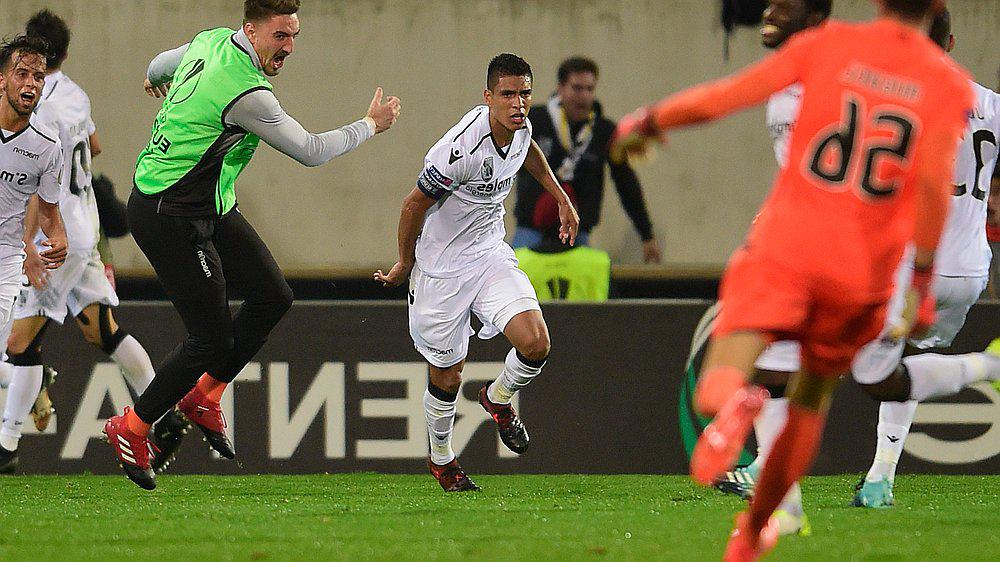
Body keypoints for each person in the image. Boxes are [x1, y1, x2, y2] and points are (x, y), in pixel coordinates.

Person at [611, 1, 973, 559]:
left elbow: (726, 97)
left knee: (720, 385)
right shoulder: (947, 87)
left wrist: (649, 121)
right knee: (808, 401)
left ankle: (744, 402)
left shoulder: (828, 46)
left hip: (788, 249)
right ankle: (755, 532)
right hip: (862, 275)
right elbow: (932, 188)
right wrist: (920, 287)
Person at [102, 0, 401, 490]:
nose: (288, 48)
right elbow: (310, 151)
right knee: (211, 339)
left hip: (208, 205)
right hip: (168, 214)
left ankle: (204, 396)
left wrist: (160, 83)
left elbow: (158, 66)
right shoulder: (249, 94)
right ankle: (131, 426)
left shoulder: (212, 39)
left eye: (294, 36)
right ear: (252, 31)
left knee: (273, 295)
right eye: (280, 36)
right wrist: (370, 125)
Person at [374, 53, 579, 492]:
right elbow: (413, 205)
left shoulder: (521, 127)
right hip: (442, 270)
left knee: (536, 343)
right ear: (488, 97)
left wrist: (560, 195)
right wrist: (406, 264)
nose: (518, 103)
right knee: (447, 374)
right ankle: (442, 459)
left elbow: (529, 153)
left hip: (488, 254)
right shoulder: (459, 150)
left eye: (525, 93)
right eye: (508, 94)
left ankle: (498, 398)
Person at [0, 10, 184, 475]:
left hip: (55, 229)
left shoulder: (38, 107)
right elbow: (94, 146)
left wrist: (29, 246)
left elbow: (36, 176)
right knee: (102, 330)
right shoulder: (75, 95)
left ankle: (5, 446)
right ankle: (161, 416)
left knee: (19, 346)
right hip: (87, 224)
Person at [850, 7, 1000, 507]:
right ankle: (879, 478)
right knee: (912, 360)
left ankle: (869, 478)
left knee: (866, 362)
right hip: (972, 269)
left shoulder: (898, 100)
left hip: (916, 266)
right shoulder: (993, 106)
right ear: (951, 42)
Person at [706, 0, 832, 537]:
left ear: (816, 14)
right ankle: (784, 494)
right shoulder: (786, 77)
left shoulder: (839, 73)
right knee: (768, 357)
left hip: (840, 236)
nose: (768, 8)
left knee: (878, 372)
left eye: (785, 2)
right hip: (800, 233)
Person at [511, 57, 660, 263]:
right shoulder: (533, 122)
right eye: (577, 88)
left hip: (577, 234)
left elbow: (626, 183)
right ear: (560, 88)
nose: (584, 96)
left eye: (590, 89)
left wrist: (647, 234)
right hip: (531, 231)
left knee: (582, 291)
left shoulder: (603, 132)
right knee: (517, 288)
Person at [0, 35, 68, 474]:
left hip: (3, 258)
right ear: (2, 79)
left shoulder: (47, 145)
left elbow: (47, 211)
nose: (30, 84)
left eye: (38, 77)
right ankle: (34, 380)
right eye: (22, 74)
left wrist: (54, 240)